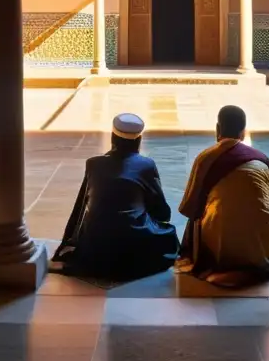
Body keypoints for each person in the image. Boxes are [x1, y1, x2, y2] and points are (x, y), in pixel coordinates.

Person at [175, 104, 269, 287]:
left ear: (218, 129)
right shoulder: (261, 159)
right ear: (243, 132)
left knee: (197, 219)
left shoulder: (205, 158)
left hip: (218, 249)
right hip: (261, 247)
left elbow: (189, 207)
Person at [51, 113, 179, 282]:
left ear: (113, 137)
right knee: (169, 234)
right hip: (133, 240)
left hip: (96, 243)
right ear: (138, 140)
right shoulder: (146, 165)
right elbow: (162, 212)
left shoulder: (93, 164)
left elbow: (81, 207)